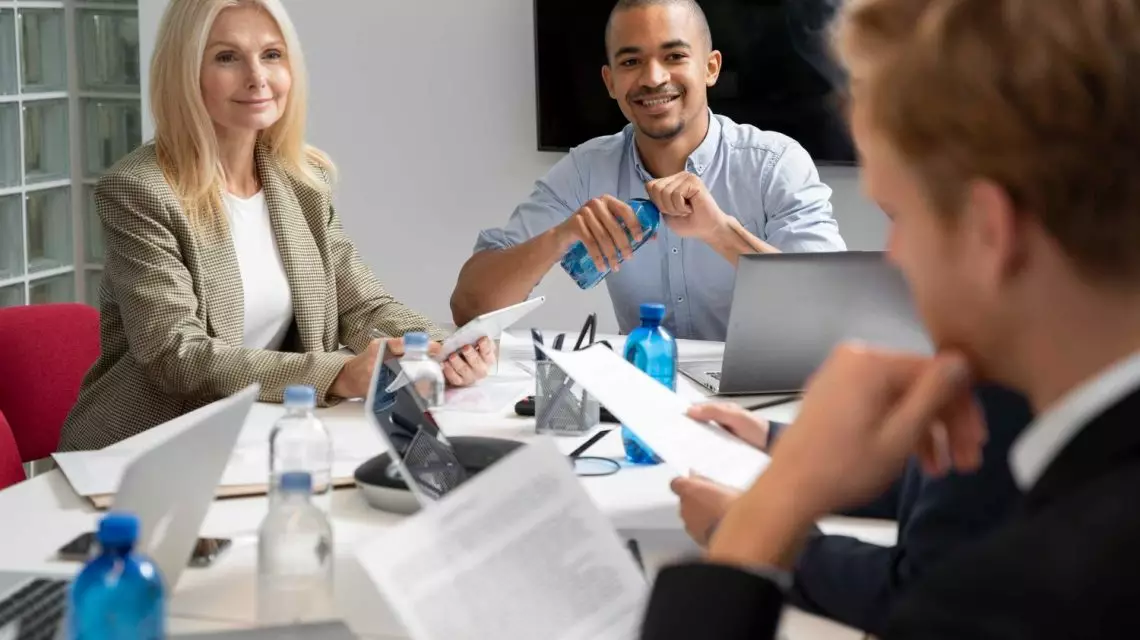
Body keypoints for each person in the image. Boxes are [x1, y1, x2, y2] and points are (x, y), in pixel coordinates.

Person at [640, 0, 1140, 637]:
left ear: (988, 232)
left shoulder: (1009, 601)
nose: (894, 256)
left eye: (899, 216)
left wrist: (757, 526)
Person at [60, 0, 494, 452]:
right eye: (227, 57)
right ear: (184, 73)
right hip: (148, 448)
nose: (257, 77)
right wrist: (338, 374)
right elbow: (175, 353)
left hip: (256, 435)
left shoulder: (301, 179)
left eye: (271, 55)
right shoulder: (139, 189)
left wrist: (444, 347)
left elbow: (361, 306)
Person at [451, 0, 845, 342]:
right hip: (642, 390)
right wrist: (558, 237)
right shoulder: (585, 170)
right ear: (610, 82)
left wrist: (720, 233)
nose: (654, 78)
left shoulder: (775, 164)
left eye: (674, 56)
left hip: (767, 394)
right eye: (631, 61)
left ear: (711, 68)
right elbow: (469, 308)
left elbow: (833, 311)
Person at [671, 384, 1031, 635]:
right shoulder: (1015, 374)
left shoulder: (1003, 391)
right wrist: (781, 443)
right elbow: (937, 482)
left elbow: (923, 595)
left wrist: (753, 534)